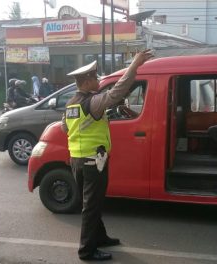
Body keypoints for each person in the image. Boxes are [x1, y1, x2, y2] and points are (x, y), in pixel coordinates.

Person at [62, 50, 154, 261]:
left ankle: (100, 237)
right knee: (91, 206)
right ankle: (87, 251)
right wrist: (134, 66)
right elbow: (116, 93)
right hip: (93, 161)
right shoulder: (91, 102)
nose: (98, 80)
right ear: (86, 81)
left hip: (77, 159)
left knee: (93, 202)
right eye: (95, 78)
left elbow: (65, 128)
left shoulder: (71, 104)